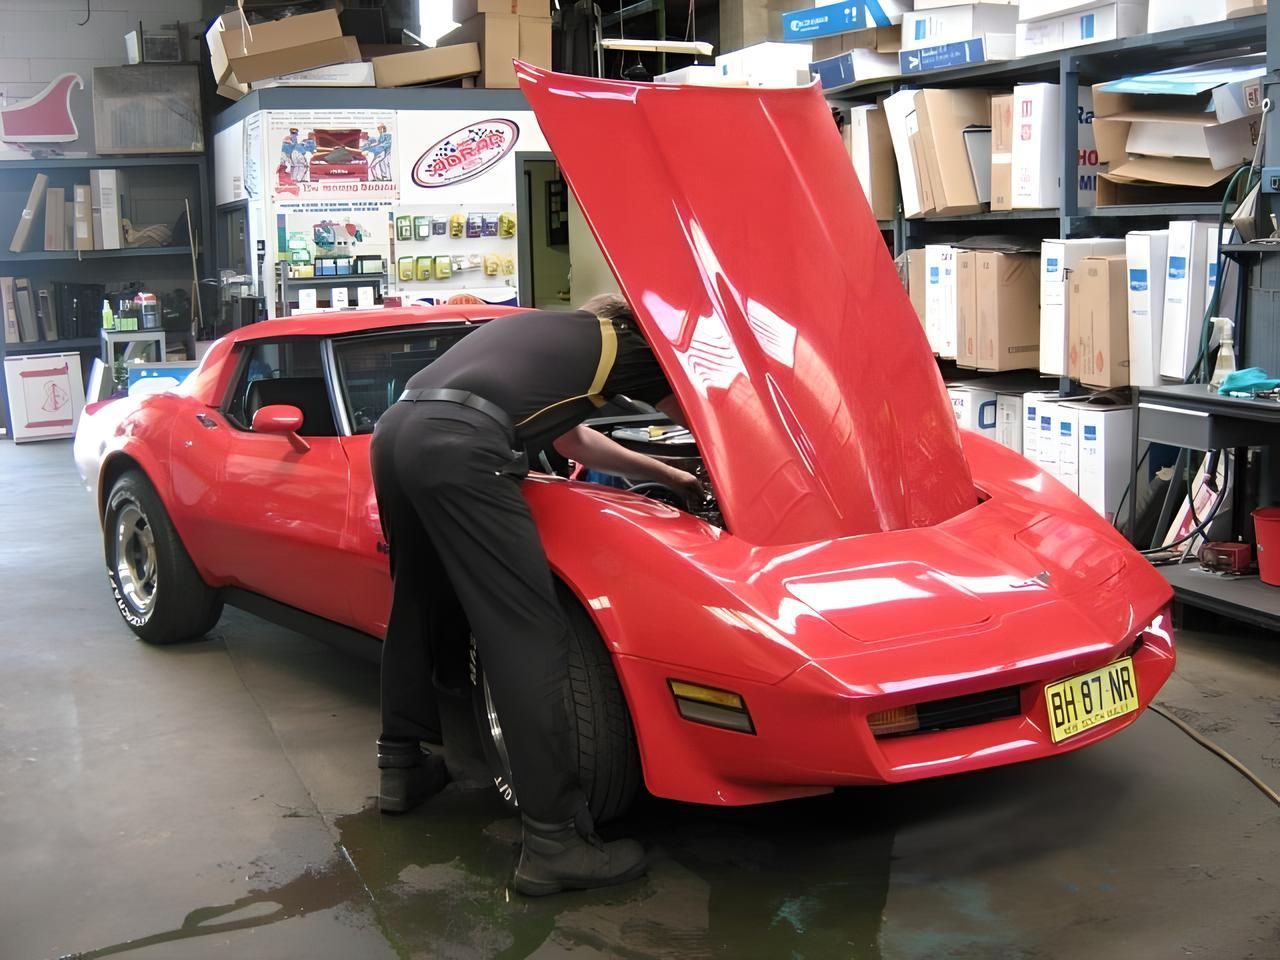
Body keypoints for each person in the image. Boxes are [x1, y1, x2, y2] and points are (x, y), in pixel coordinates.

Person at [369, 295, 699, 896]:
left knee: (416, 602)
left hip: (396, 431)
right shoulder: (638, 348)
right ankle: (555, 842)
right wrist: (703, 473)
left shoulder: (551, 334)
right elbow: (705, 419)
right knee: (526, 632)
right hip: (461, 445)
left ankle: (403, 766)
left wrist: (667, 477)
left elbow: (574, 445)